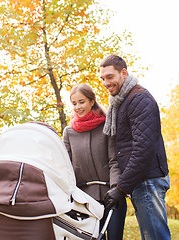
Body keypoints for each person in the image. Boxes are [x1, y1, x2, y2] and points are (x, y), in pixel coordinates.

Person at [100, 55, 171, 240]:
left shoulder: (138, 99)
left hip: (148, 180)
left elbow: (143, 149)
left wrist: (121, 188)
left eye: (110, 77)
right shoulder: (122, 101)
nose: (106, 83)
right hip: (141, 181)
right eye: (103, 79)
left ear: (124, 73)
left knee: (155, 237)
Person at [63, 83, 127, 240]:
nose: (78, 106)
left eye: (82, 101)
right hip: (83, 200)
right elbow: (66, 167)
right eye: (74, 103)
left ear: (92, 101)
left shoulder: (106, 126)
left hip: (110, 196)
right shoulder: (69, 132)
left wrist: (116, 189)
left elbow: (114, 161)